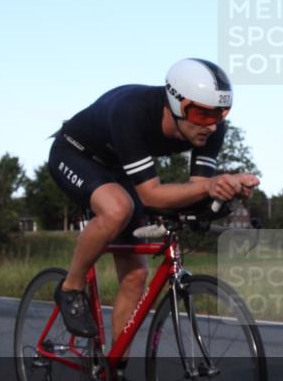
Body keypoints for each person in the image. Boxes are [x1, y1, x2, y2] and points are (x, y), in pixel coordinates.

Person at [47, 58, 259, 355]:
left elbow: (196, 190)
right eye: (201, 113)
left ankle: (114, 374)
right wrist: (208, 187)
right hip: (74, 154)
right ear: (175, 102)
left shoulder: (212, 130)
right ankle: (70, 288)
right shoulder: (132, 111)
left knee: (136, 276)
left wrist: (225, 193)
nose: (211, 125)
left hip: (118, 168)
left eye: (221, 114)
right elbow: (149, 195)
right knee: (117, 209)